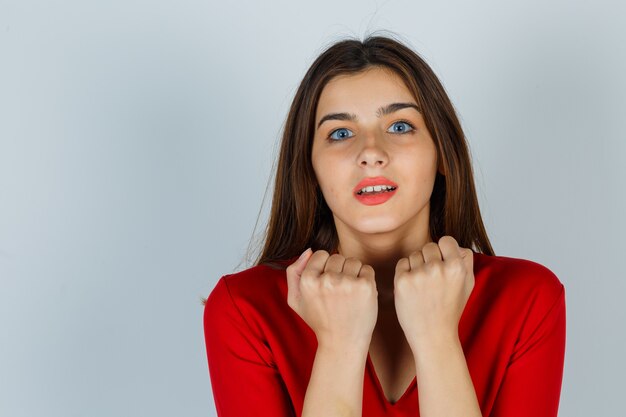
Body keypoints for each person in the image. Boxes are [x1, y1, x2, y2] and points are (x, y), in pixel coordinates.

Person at [202, 33, 566, 417]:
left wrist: (437, 339)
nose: (371, 152)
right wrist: (339, 346)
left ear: (442, 153)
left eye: (399, 127)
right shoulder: (245, 310)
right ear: (310, 169)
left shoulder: (528, 301)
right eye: (340, 133)